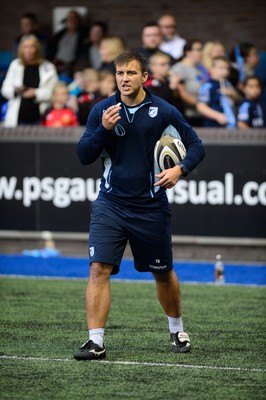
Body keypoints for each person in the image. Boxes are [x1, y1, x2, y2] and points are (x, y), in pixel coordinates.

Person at [74, 51, 205, 361]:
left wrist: (180, 169)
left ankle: (177, 329)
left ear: (145, 77)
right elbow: (83, 155)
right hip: (110, 205)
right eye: (120, 73)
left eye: (131, 73)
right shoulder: (103, 110)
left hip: (151, 207)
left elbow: (197, 145)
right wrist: (103, 129)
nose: (125, 78)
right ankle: (95, 341)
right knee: (98, 269)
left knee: (162, 273)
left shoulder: (164, 111)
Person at [1, 35, 58, 127]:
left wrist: (36, 93)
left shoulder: (48, 67)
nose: (29, 50)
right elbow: (5, 90)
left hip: (40, 116)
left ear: (37, 49)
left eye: (32, 46)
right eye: (25, 47)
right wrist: (15, 90)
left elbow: (55, 93)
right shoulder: (15, 65)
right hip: (18, 116)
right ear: (21, 49)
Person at [171, 39, 208, 126]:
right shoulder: (179, 68)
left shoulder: (201, 69)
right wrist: (204, 106)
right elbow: (180, 93)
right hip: (189, 115)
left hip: (202, 113)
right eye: (198, 50)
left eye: (201, 49)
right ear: (188, 52)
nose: (201, 52)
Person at [197, 56, 240, 127]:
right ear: (211, 69)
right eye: (221, 68)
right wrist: (218, 116)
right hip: (213, 127)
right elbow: (201, 107)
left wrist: (233, 94)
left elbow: (238, 99)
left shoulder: (228, 84)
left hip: (230, 126)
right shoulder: (208, 86)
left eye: (227, 69)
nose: (225, 72)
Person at [48, 10, 87, 79]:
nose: (71, 21)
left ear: (78, 20)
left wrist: (69, 65)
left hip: (70, 67)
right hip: (56, 64)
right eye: (69, 19)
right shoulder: (60, 34)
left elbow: (81, 54)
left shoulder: (83, 35)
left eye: (74, 18)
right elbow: (52, 49)